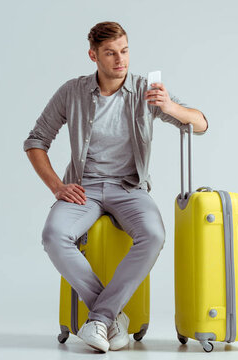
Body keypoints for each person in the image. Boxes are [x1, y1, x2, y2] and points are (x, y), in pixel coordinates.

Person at [23, 21, 208, 352]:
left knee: (154, 235)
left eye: (124, 51)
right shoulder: (72, 92)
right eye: (110, 53)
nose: (120, 60)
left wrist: (170, 108)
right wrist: (56, 187)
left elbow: (201, 123)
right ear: (93, 55)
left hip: (130, 189)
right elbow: (35, 141)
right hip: (85, 188)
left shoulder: (145, 90)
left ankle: (99, 318)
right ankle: (110, 317)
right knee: (53, 235)